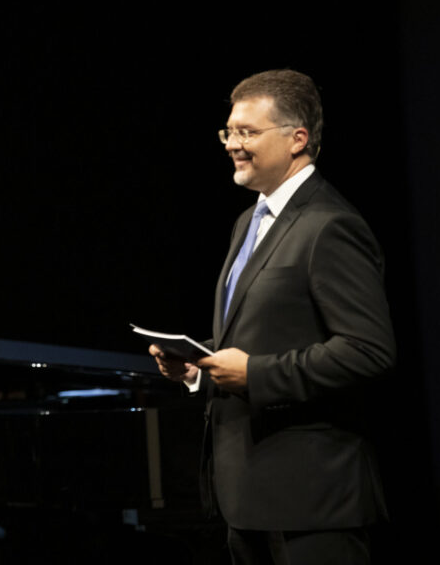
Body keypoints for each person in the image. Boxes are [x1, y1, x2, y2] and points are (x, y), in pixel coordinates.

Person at [150, 70, 395, 564]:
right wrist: (201, 365)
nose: (232, 145)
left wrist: (256, 374)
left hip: (311, 499)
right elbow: (264, 332)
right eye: (228, 131)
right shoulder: (250, 220)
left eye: (247, 132)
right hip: (248, 497)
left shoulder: (331, 225)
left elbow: (369, 350)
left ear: (297, 139)